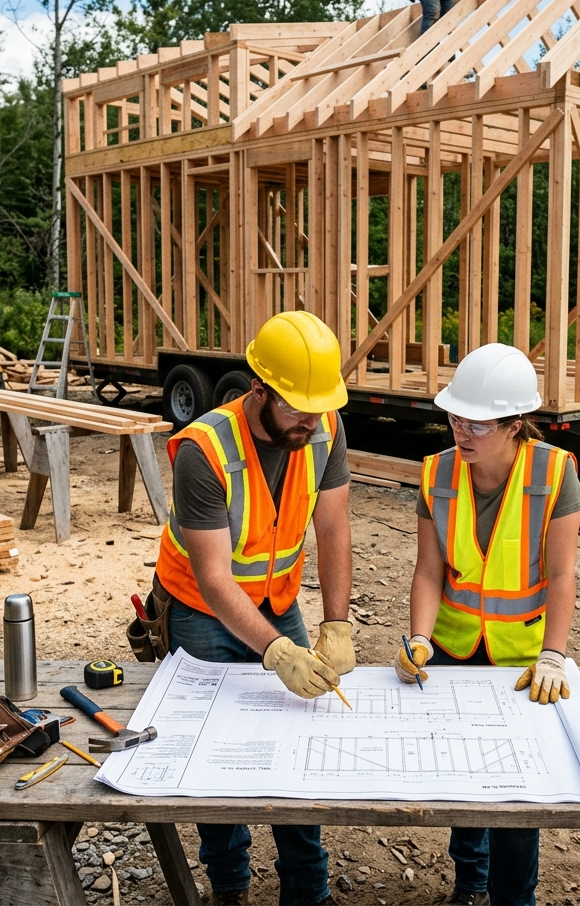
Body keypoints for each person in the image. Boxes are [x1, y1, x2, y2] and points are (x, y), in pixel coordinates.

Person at [154, 310, 356, 906]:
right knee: (219, 755)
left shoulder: (323, 426)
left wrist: (337, 621)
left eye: (319, 409)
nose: (311, 423)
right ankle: (231, 889)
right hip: (199, 610)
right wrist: (275, 650)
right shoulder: (204, 451)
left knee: (299, 742)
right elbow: (215, 579)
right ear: (258, 390)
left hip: (278, 599)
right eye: (296, 408)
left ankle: (306, 889)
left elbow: (335, 526)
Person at [395, 343, 580, 906]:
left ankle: (512, 898)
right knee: (465, 776)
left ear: (515, 423)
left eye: (477, 423)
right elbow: (429, 573)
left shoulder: (554, 473)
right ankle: (468, 882)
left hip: (522, 660)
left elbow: (562, 577)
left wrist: (553, 654)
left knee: (519, 791)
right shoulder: (437, 474)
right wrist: (419, 639)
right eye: (456, 417)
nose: (463, 432)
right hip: (452, 650)